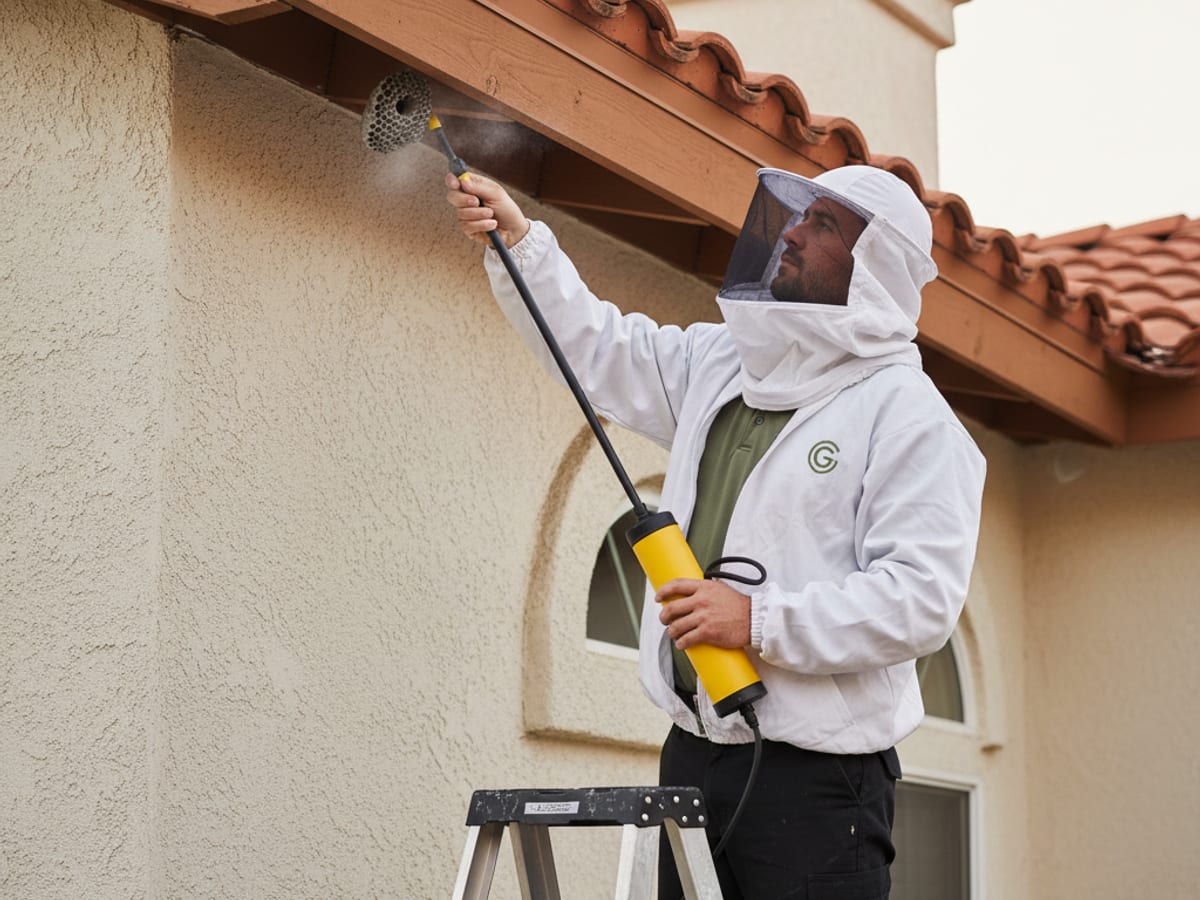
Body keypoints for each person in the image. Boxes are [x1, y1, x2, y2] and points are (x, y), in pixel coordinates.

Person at [446, 164, 986, 900]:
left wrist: (757, 620)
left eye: (822, 223)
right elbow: (603, 351)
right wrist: (524, 242)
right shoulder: (726, 362)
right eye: (796, 214)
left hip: (820, 785)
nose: (790, 230)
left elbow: (919, 601)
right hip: (695, 756)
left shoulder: (909, 418)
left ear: (875, 262)